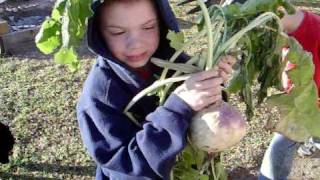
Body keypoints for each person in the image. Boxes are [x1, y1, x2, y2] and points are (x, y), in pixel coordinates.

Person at [76, 0, 235, 179]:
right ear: (99, 33)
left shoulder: (176, 62)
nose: (135, 43)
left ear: (162, 23)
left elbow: (203, 117)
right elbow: (127, 169)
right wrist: (177, 109)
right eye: (118, 32)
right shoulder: (99, 98)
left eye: (148, 27)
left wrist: (213, 83)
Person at [258, 7, 320, 180]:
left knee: (284, 142)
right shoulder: (282, 32)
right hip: (298, 101)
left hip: (311, 103)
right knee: (285, 141)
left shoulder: (314, 30)